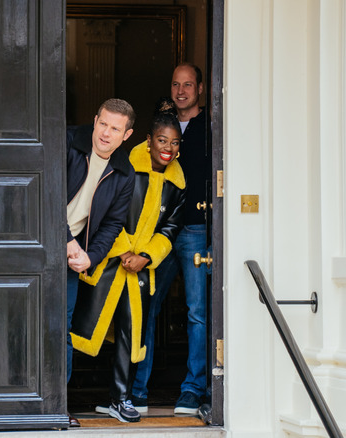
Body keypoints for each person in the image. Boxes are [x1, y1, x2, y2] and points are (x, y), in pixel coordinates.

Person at [71, 103, 186, 423]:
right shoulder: (124, 165)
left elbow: (170, 228)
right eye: (162, 140)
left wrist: (146, 256)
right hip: (106, 260)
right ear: (148, 140)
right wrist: (122, 251)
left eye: (175, 143)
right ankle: (62, 396)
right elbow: (106, 210)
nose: (168, 149)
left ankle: (120, 398)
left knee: (129, 331)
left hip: (139, 270)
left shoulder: (177, 185)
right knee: (79, 325)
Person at [131, 63, 212, 416]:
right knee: (146, 309)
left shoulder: (212, 125)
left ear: (201, 88)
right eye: (176, 85)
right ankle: (136, 391)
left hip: (195, 229)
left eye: (188, 85)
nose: (182, 91)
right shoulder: (156, 129)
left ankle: (193, 390)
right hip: (156, 234)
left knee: (197, 313)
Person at [66, 98, 136, 427]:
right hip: (40, 243)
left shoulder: (124, 172)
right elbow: (45, 194)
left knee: (60, 329)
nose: (106, 133)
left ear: (127, 135)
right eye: (103, 124)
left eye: (116, 129)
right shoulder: (67, 143)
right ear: (94, 121)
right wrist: (67, 240)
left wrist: (90, 257)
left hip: (73, 255)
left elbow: (112, 225)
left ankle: (55, 402)